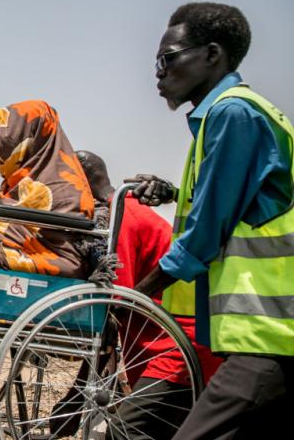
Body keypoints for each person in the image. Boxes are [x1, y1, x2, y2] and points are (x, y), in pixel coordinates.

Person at [128, 2, 293, 438]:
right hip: (263, 336)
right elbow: (248, 206)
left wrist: (138, 296)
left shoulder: (234, 113)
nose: (159, 72)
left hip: (270, 335)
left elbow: (208, 231)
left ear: (212, 55)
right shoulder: (228, 117)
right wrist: (175, 192)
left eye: (169, 58)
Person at [77, 150, 222, 439]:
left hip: (177, 348)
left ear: (79, 182)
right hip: (171, 341)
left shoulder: (123, 220)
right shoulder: (123, 211)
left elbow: (114, 308)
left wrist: (75, 393)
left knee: (125, 431)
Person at [0, 100, 96, 278]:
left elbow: (22, 237)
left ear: (27, 140)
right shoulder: (27, 181)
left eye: (0, 140)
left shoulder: (64, 187)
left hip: (52, 260)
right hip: (28, 250)